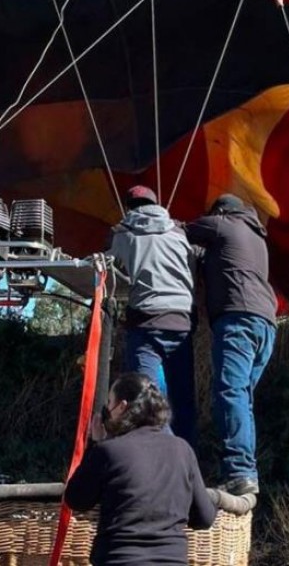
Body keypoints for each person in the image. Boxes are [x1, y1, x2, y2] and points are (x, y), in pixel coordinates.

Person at [64, 373, 216, 566]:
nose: (106, 411)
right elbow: (205, 517)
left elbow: (76, 499)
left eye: (109, 403)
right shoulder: (182, 450)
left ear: (122, 407)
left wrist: (94, 445)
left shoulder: (109, 452)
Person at [185, 194, 276, 496]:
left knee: (231, 393)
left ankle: (239, 472)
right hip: (265, 324)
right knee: (242, 397)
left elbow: (180, 230)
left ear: (220, 212)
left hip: (238, 319)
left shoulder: (223, 224)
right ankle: (245, 470)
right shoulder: (256, 237)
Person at [107, 185, 197, 444]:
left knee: (143, 398)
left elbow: (108, 268)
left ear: (128, 208)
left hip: (146, 321)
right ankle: (186, 458)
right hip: (181, 320)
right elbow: (189, 271)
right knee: (182, 397)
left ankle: (164, 453)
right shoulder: (179, 233)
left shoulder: (123, 233)